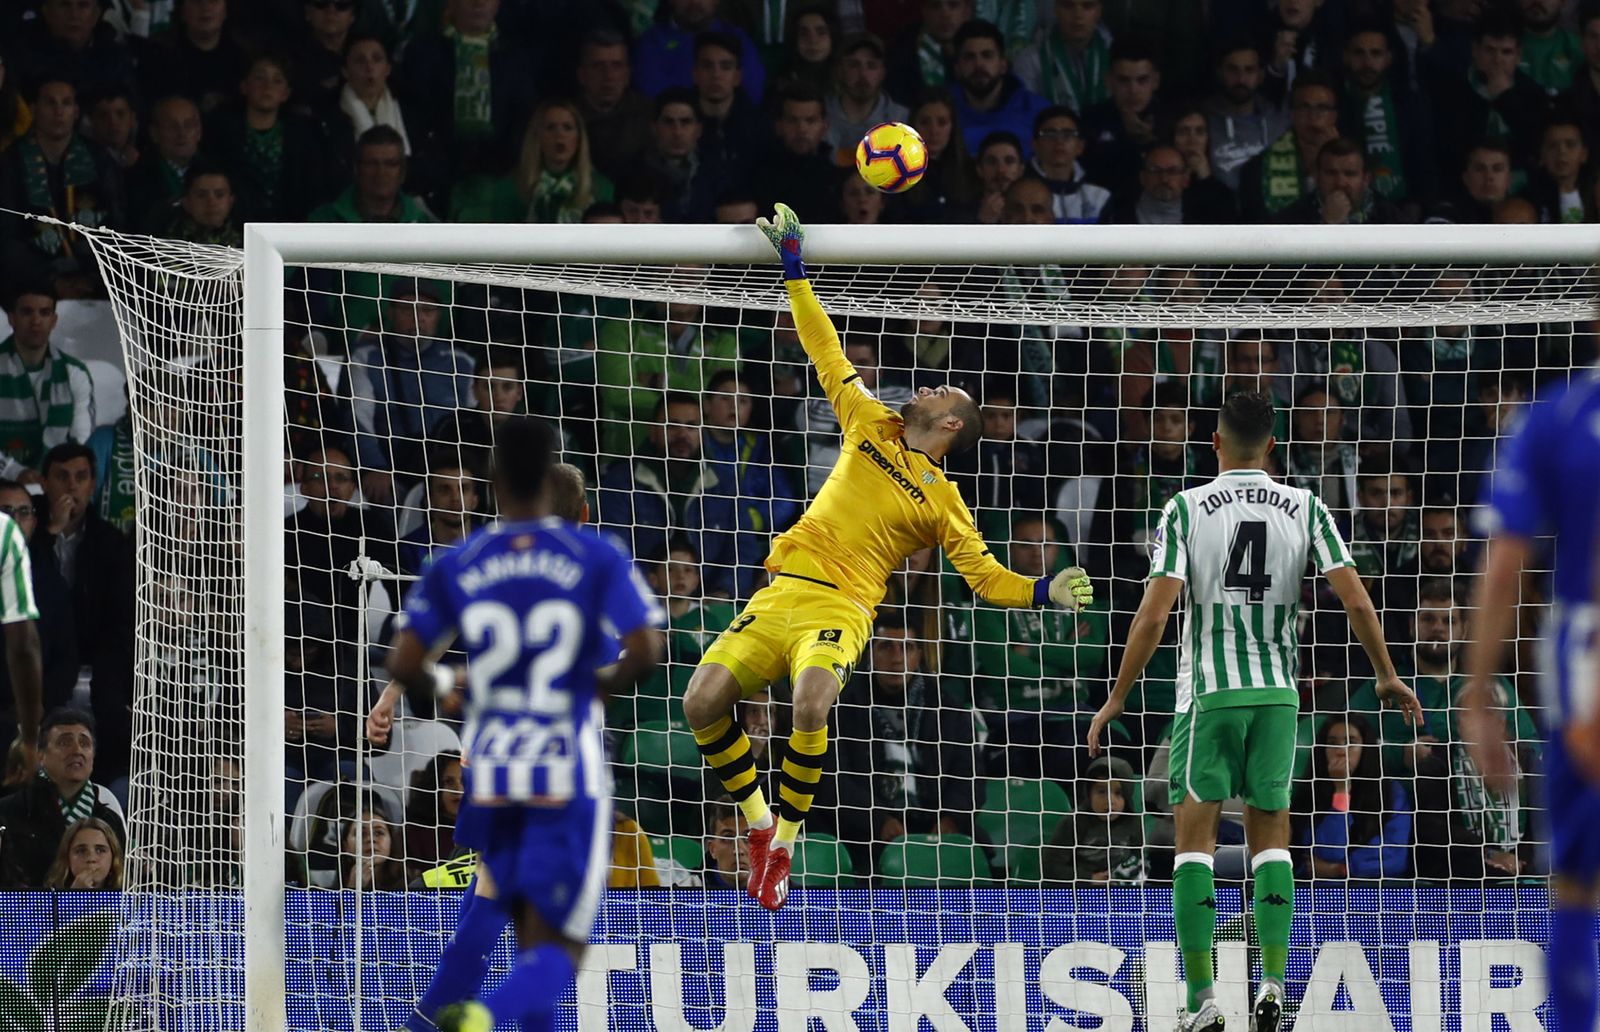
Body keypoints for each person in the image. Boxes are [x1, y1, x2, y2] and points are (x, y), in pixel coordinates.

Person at [682, 203, 1095, 911]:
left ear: (954, 423)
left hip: (841, 606)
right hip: (780, 589)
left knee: (812, 702)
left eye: (939, 391)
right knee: (699, 703)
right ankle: (759, 829)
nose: (925, 388)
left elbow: (984, 577)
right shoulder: (870, 422)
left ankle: (784, 839)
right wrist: (793, 268)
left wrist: (1041, 589)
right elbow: (824, 348)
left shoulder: (944, 499)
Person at [1086, 390, 1420, 1032]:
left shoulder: (1185, 507)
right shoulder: (1307, 505)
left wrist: (1119, 695)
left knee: (1194, 847)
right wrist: (1385, 674)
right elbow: (1353, 600)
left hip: (1209, 695)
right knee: (1272, 840)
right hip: (1278, 696)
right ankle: (1270, 983)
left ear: (1213, 443)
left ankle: (1202, 1000)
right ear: (1273, 446)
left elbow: (1156, 612)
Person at [384, 417, 663, 1032]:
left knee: (490, 893)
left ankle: (430, 1017)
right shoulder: (593, 558)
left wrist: (446, 688)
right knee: (556, 937)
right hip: (566, 761)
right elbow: (646, 649)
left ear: (492, 490)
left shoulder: (463, 559)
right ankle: (482, 1016)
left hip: (495, 759)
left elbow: (407, 658)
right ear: (586, 512)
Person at [1463, 365, 1600, 1032]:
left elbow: (1504, 561)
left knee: (1576, 882)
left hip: (1584, 656)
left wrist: (1477, 695)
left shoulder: (1557, 417)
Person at [0, 706, 125, 888]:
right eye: (65, 743)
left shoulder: (109, 819)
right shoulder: (8, 811)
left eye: (85, 744)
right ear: (40, 756)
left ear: (93, 757)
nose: (77, 751)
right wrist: (69, 901)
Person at [1290, 713, 1414, 879]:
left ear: (1365, 748)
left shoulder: (1391, 792)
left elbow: (1394, 859)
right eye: (1332, 743)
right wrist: (1341, 790)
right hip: (1319, 893)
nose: (1341, 751)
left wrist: (1339, 870)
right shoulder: (1309, 793)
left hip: (1373, 892)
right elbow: (1327, 853)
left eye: (1351, 742)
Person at [0, 285, 95, 480]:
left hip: (56, 485)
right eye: (27, 312)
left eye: (44, 313)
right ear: (11, 318)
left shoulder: (74, 373)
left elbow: (82, 441)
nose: (36, 321)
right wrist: (15, 472)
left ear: (54, 320)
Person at [1041, 754, 1145, 883]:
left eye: (1118, 793)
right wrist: (1089, 879)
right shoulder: (1074, 821)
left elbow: (1139, 860)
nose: (1110, 801)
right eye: (1101, 792)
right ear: (1089, 794)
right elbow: (1051, 867)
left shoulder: (1133, 822)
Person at [43, 815, 123, 890]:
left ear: (113, 856)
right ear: (67, 856)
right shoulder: (48, 899)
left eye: (100, 850)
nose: (91, 858)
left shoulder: (132, 896)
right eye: (81, 851)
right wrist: (74, 898)